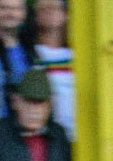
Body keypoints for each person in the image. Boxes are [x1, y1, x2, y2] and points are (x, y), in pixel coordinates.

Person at [32, 0, 73, 138]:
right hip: (47, 137)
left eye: (54, 7)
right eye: (43, 8)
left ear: (66, 14)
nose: (49, 11)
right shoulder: (29, 54)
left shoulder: (80, 55)